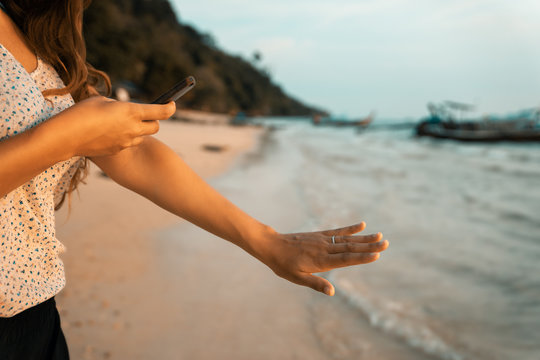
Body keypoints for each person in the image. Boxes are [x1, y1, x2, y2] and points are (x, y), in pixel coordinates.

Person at [0, 0, 389, 358]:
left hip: (36, 315)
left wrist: (266, 241)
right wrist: (67, 138)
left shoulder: (40, 40)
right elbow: (73, 136)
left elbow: (132, 153)